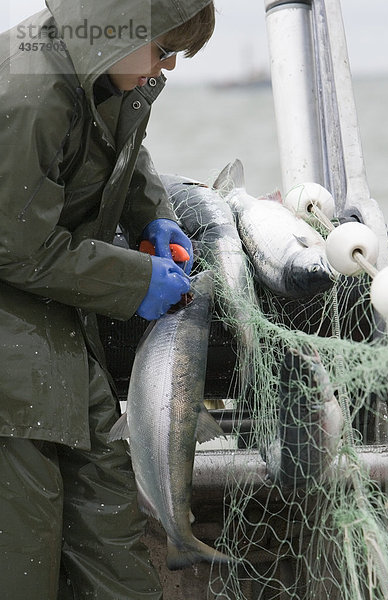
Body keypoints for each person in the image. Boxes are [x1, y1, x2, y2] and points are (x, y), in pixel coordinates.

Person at [0, 0, 215, 598]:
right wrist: (134, 282)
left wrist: (155, 216)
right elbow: (15, 246)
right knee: (21, 562)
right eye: (164, 51)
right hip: (12, 364)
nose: (167, 68)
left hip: (64, 336)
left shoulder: (111, 68)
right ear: (125, 31)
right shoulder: (26, 92)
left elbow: (123, 152)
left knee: (119, 558)